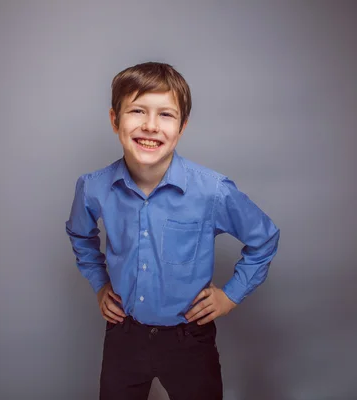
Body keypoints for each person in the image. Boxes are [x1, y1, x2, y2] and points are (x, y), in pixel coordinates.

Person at [65, 61, 280, 400]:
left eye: (166, 115)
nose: (151, 126)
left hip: (189, 340)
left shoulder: (213, 191)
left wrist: (230, 296)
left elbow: (264, 238)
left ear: (182, 126)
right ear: (114, 120)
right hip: (124, 334)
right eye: (137, 110)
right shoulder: (93, 188)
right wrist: (99, 283)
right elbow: (81, 235)